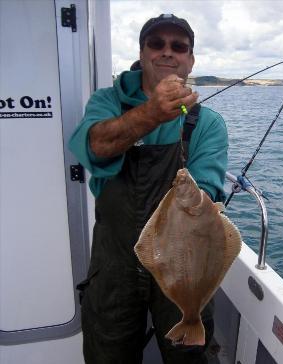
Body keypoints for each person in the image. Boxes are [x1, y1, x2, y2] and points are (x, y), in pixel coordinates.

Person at [69, 13, 228, 364]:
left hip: (182, 264)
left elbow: (208, 191)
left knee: (190, 355)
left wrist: (197, 199)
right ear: (142, 54)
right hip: (114, 261)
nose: (167, 52)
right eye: (156, 44)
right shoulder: (107, 102)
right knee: (107, 353)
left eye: (178, 46)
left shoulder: (208, 123)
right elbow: (93, 148)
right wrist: (151, 113)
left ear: (190, 59)